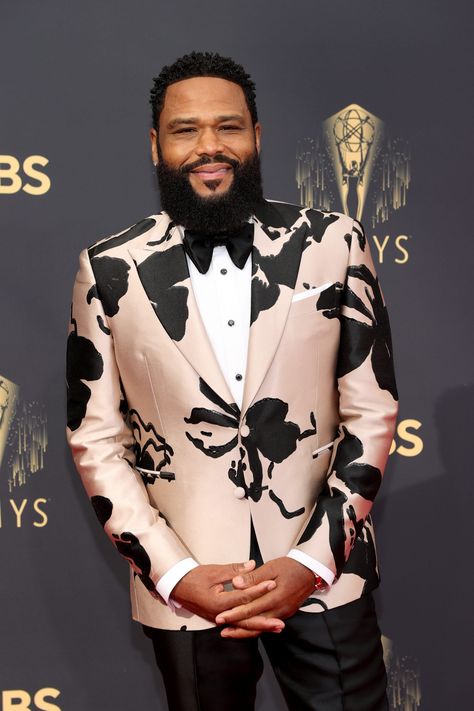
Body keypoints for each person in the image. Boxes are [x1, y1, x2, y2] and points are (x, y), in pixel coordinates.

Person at [66, 51, 398, 711]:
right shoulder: (107, 268)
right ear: (155, 145)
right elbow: (96, 438)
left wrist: (312, 561)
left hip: (324, 571)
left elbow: (372, 411)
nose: (209, 146)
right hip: (187, 584)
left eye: (230, 126)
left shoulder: (333, 241)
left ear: (257, 137)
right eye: (186, 130)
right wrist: (177, 573)